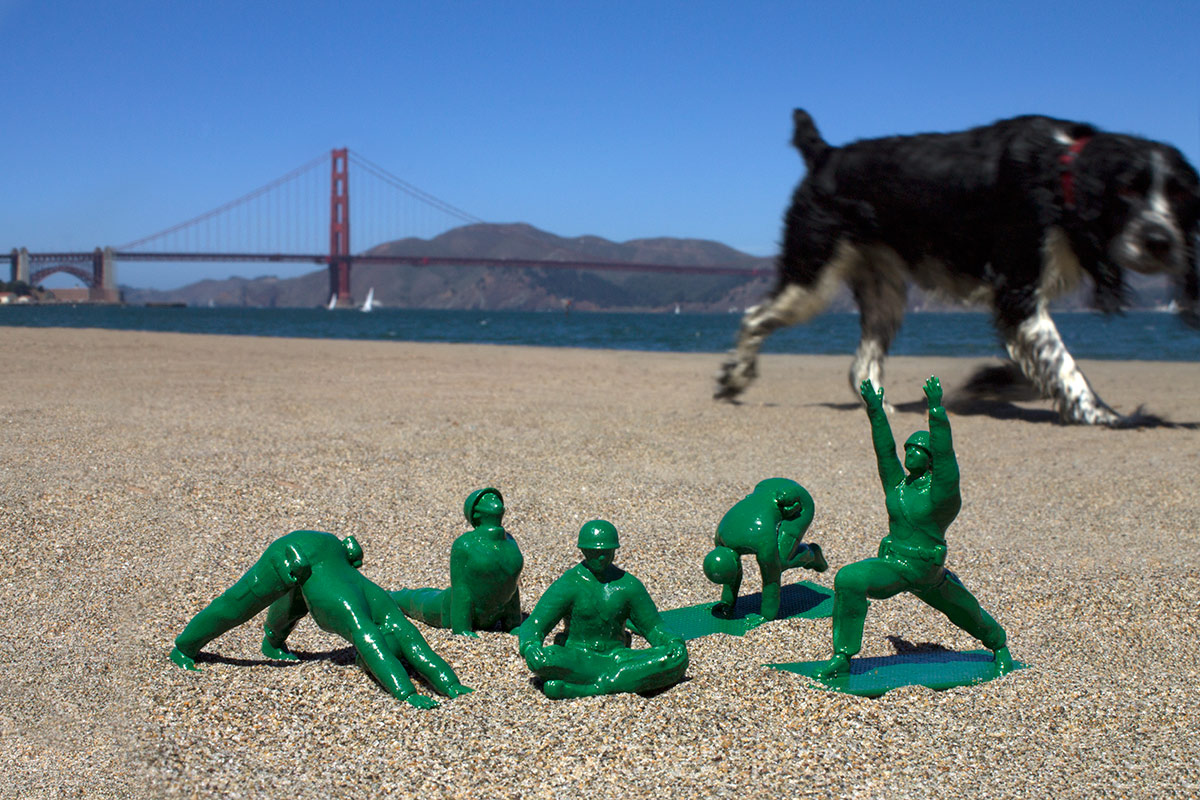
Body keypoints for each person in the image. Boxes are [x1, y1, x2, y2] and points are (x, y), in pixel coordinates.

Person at [816, 376, 1013, 679]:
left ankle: (999, 645)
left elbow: (946, 457)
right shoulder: (898, 487)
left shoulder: (940, 495)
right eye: (908, 448)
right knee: (849, 579)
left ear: (929, 458)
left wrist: (936, 410)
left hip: (926, 570)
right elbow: (885, 452)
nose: (909, 453)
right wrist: (875, 410)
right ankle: (843, 655)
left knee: (966, 611)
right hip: (894, 565)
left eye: (917, 449)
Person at [169, 530, 473, 709]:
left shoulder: (381, 604)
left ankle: (272, 642)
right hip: (291, 554)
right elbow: (378, 646)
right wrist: (406, 694)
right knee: (236, 605)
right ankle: (184, 647)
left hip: (329, 549)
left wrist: (450, 683)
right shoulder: (360, 618)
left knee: (298, 598)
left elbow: (412, 640)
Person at [518, 520, 688, 699]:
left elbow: (653, 626)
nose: (600, 558)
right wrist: (531, 647)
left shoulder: (628, 585)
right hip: (578, 657)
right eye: (594, 552)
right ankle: (623, 681)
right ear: (583, 551)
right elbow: (536, 623)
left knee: (675, 658)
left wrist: (673, 642)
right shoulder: (570, 584)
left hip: (618, 657)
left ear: (614, 550)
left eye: (606, 552)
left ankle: (588, 688)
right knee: (546, 659)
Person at [391, 487, 523, 635]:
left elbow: (512, 582)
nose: (493, 498)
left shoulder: (510, 541)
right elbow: (460, 588)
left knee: (424, 595)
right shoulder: (465, 544)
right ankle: (388, 595)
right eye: (486, 497)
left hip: (493, 612)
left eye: (495, 496)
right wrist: (461, 628)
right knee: (415, 600)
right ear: (476, 513)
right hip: (447, 607)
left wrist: (513, 624)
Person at [703, 477, 828, 622]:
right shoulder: (720, 537)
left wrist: (766, 617)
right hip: (765, 487)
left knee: (781, 560)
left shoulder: (763, 541)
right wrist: (727, 603)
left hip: (799, 504)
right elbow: (731, 576)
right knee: (774, 558)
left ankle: (812, 554)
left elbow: (771, 581)